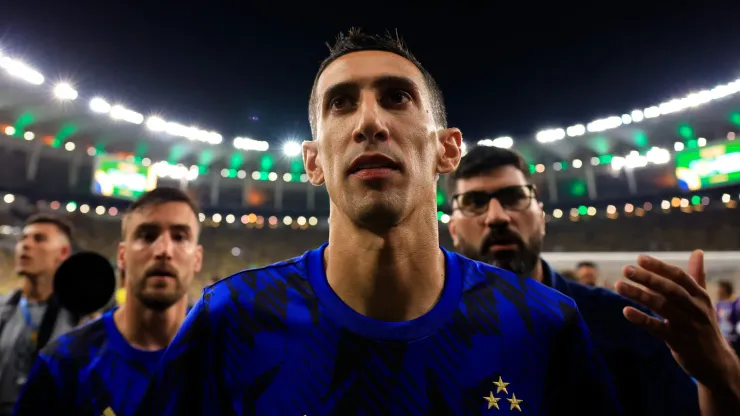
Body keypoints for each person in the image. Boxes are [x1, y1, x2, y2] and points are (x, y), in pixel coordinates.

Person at [137, 29, 621, 415]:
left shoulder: (544, 323)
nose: (370, 122)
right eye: (341, 103)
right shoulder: (230, 321)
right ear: (313, 161)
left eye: (396, 97)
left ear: (447, 148)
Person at [446, 145, 740, 415]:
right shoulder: (426, 335)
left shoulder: (625, 324)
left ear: (542, 218)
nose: (497, 216)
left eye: (514, 198)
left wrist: (720, 380)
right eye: (474, 202)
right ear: (455, 231)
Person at [13, 187, 203, 416]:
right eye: (147, 236)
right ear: (122, 256)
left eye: (180, 237)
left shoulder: (233, 359)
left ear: (197, 258)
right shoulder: (64, 362)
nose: (163, 250)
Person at [0, 214, 78, 415]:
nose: (26, 245)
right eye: (23, 238)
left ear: (63, 252)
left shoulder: (80, 319)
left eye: (39, 239)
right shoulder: (3, 308)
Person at [714, 280, 740, 356]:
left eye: (719, 289)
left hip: (735, 339)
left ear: (724, 290)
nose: (717, 291)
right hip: (723, 339)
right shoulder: (718, 305)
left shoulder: (735, 304)